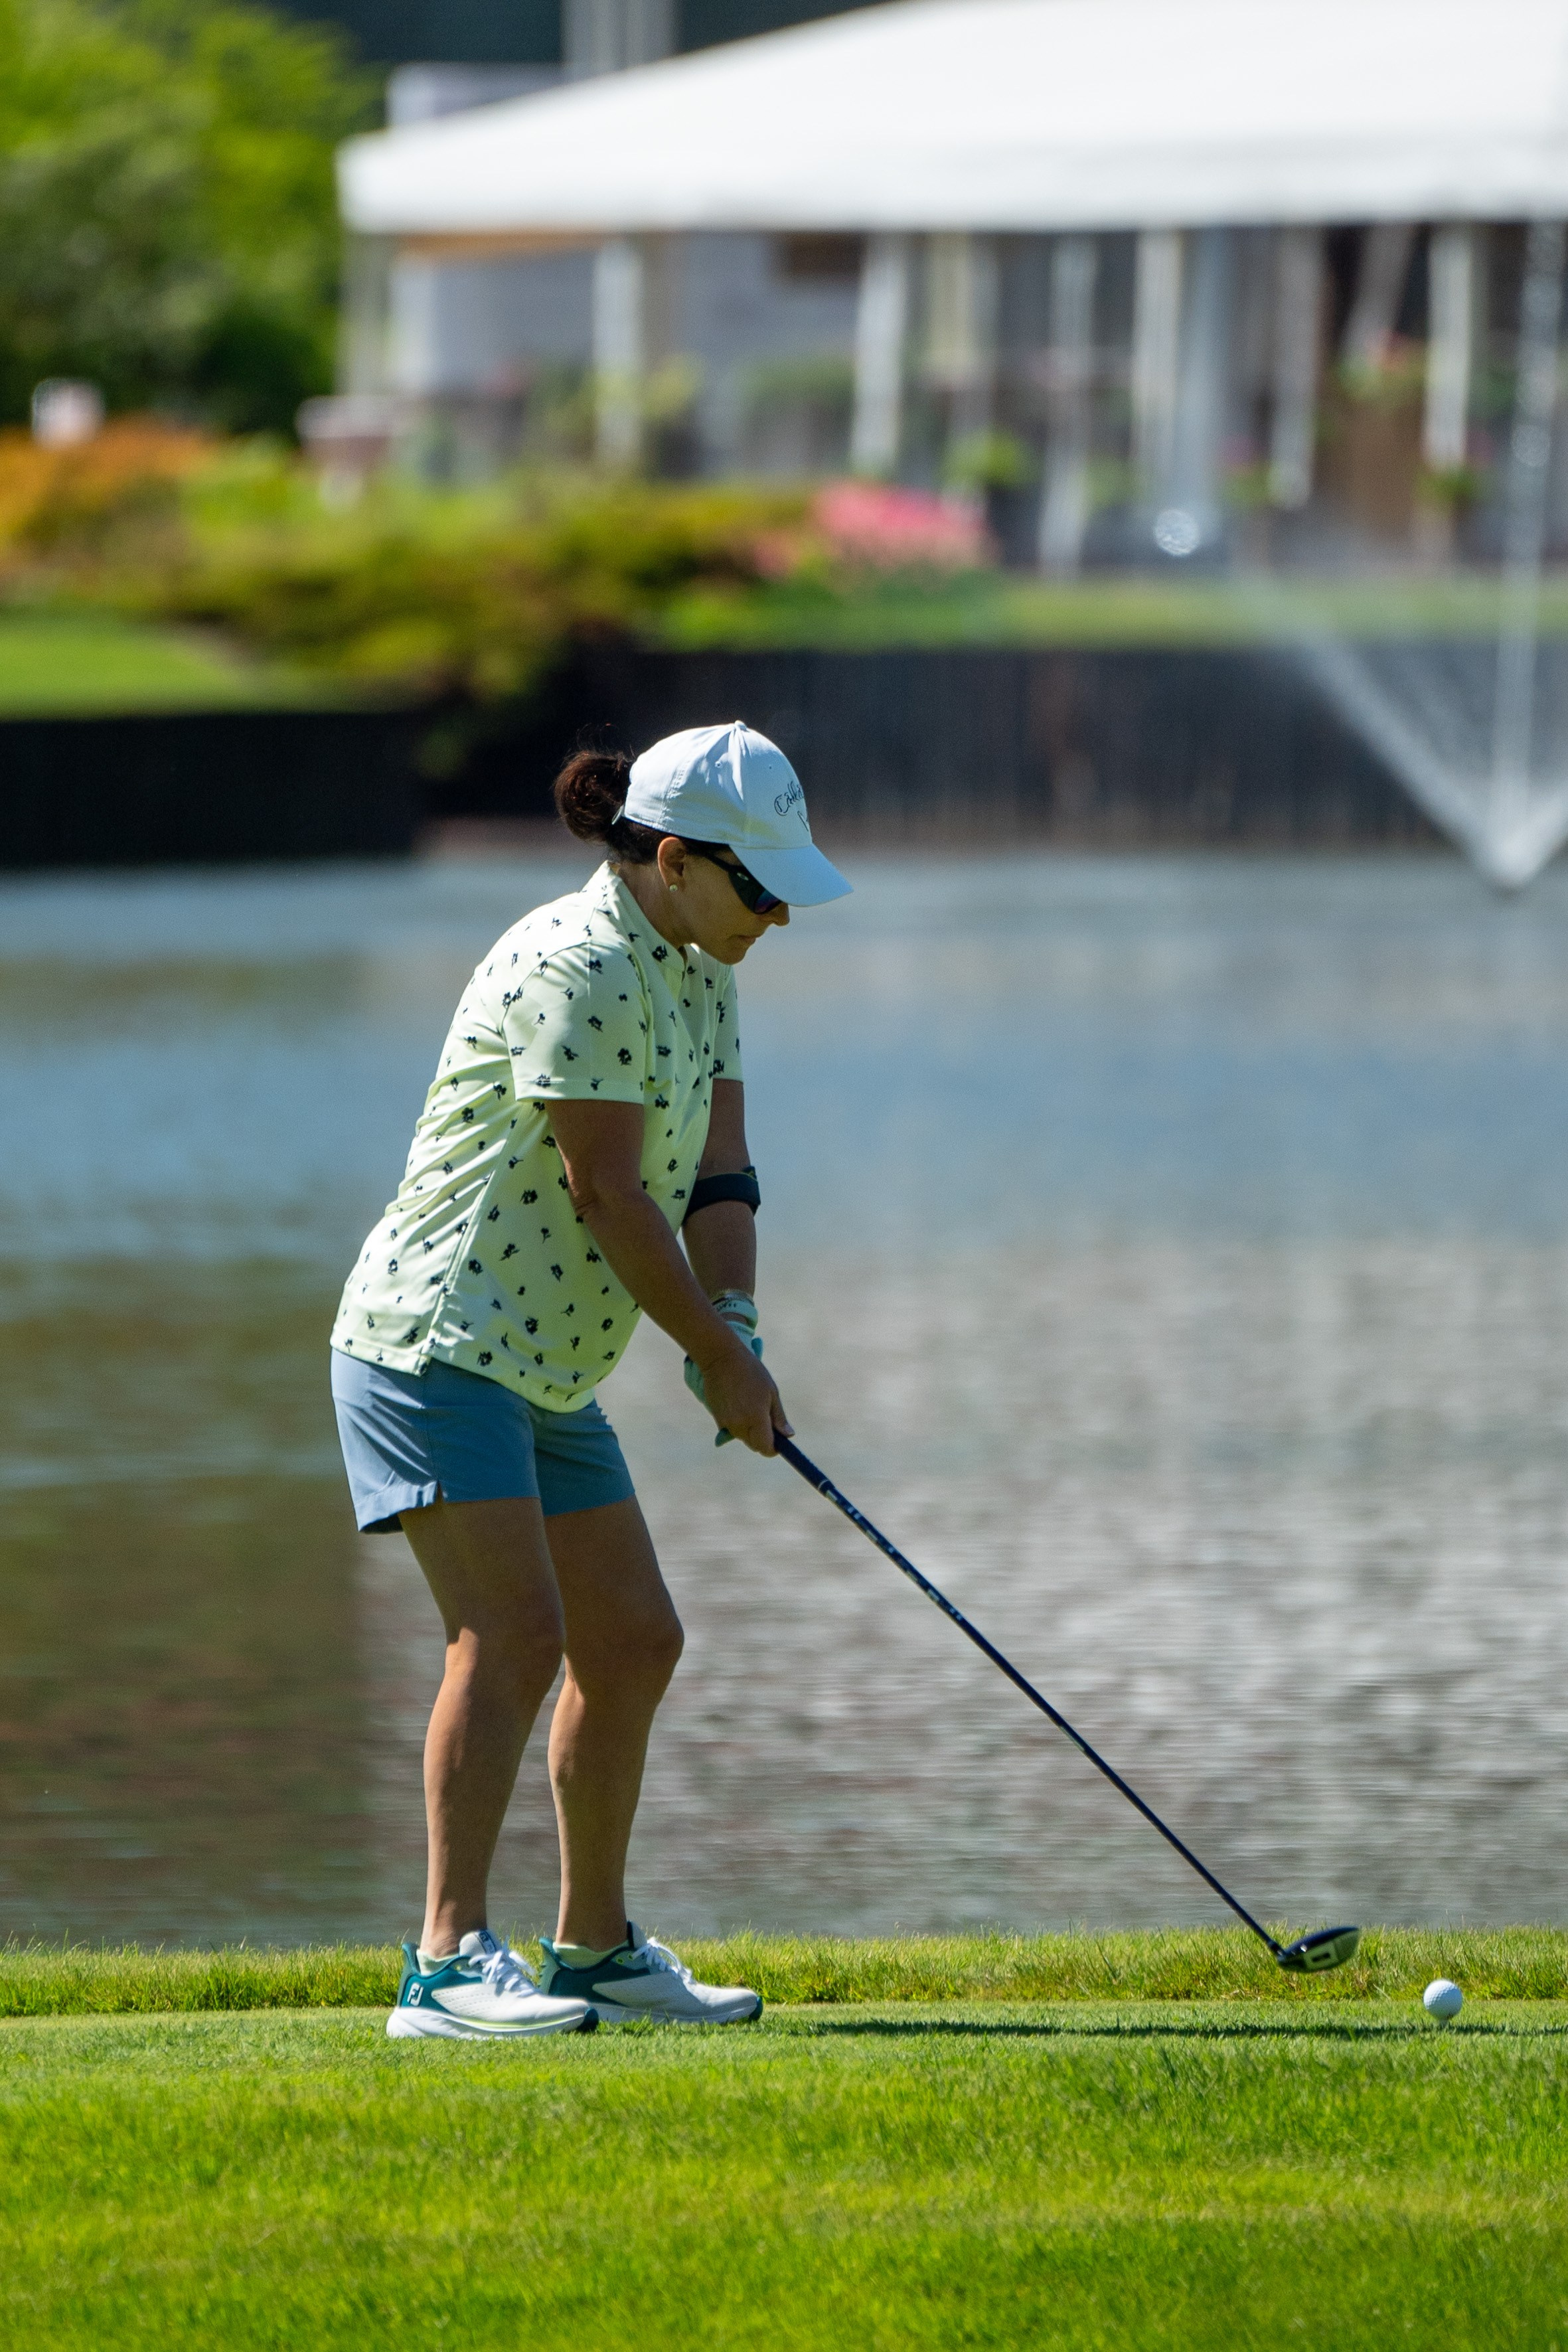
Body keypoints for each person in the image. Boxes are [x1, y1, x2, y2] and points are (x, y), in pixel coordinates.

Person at [329, 721, 852, 2039]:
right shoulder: (580, 961)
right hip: (437, 1339)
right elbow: (609, 1192)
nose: (779, 913)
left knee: (631, 1638)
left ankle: (593, 1948)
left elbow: (718, 1171)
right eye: (760, 885)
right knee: (509, 1633)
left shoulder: (696, 959)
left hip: (542, 1362)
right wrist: (714, 1357)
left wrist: (733, 1317)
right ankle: (443, 1962)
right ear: (672, 859)